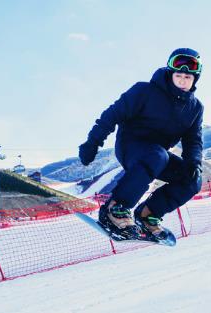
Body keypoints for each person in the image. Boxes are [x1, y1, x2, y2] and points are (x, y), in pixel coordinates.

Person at [79, 48, 204, 240]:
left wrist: (193, 163)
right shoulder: (144, 91)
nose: (182, 80)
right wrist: (93, 142)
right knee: (156, 155)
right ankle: (115, 209)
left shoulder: (195, 108)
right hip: (131, 146)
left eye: (187, 77)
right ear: (171, 73)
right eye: (178, 75)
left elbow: (193, 140)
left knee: (192, 180)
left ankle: (147, 216)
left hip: (157, 155)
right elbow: (112, 114)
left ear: (195, 79)